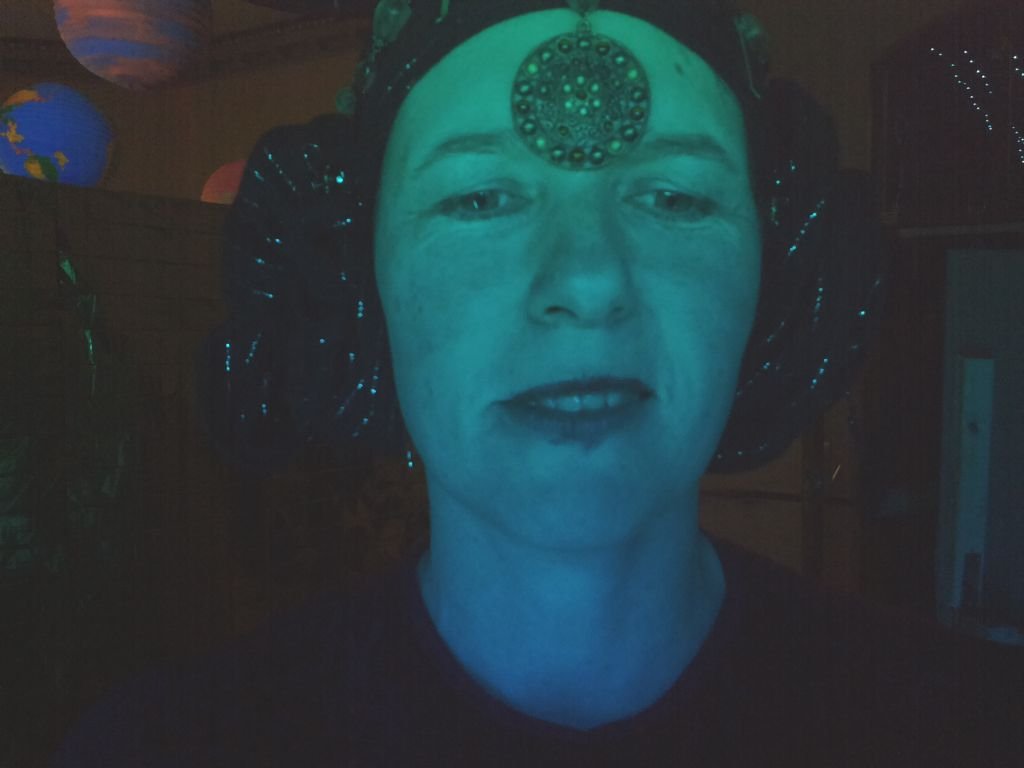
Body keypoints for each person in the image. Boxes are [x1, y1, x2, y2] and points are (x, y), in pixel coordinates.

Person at [52, 1, 1020, 766]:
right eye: (479, 198)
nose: (587, 278)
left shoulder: (970, 730)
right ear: (359, 276)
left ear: (773, 274)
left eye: (675, 196)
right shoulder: (166, 748)